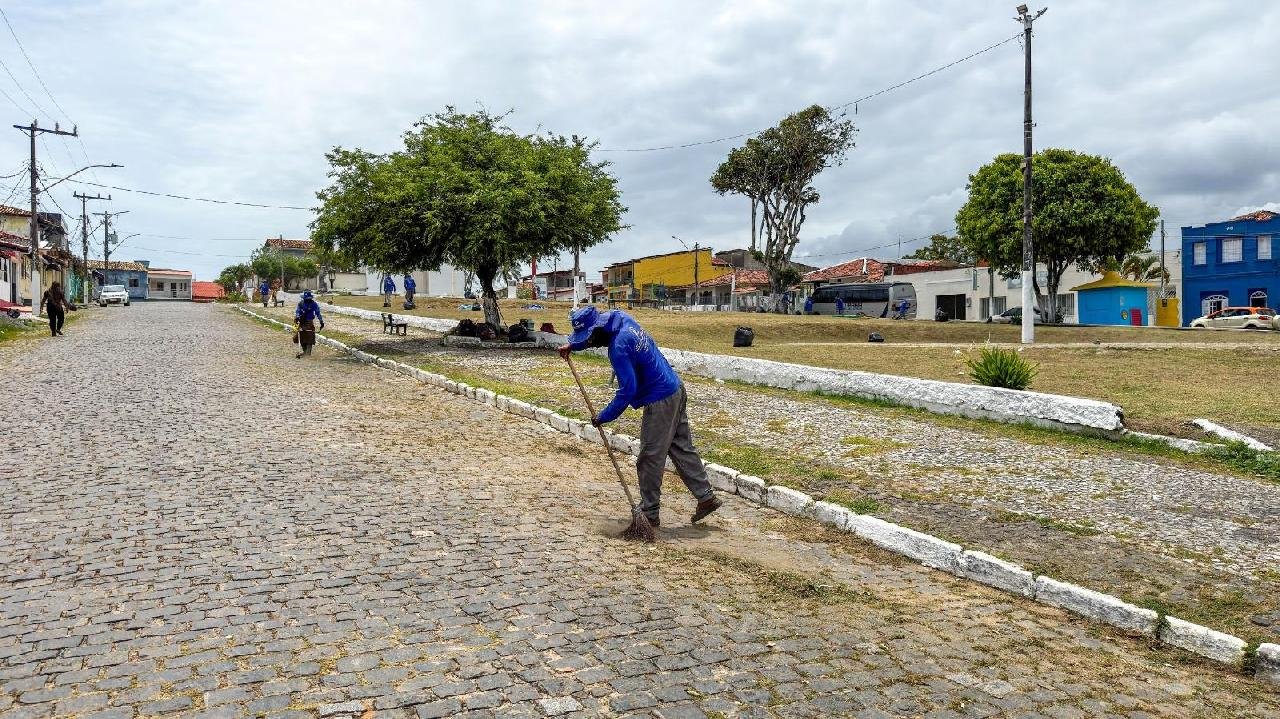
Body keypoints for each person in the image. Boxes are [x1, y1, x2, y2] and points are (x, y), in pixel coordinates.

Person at [558, 306, 721, 527]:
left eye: (589, 337)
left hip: (660, 399)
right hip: (675, 387)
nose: (591, 342)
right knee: (681, 446)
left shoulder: (618, 348)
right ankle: (706, 496)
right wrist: (574, 345)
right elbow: (596, 338)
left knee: (650, 457)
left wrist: (603, 417)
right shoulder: (620, 318)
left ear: (598, 329)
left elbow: (628, 391)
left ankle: (649, 512)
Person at [294, 290, 324, 358]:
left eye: (309, 299)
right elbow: (297, 311)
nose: (308, 300)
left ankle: (308, 353)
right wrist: (298, 317)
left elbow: (318, 313)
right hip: (302, 321)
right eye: (306, 299)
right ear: (304, 298)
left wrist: (321, 321)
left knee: (310, 336)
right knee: (301, 335)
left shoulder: (314, 304)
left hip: (310, 321)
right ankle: (305, 351)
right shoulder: (301, 303)